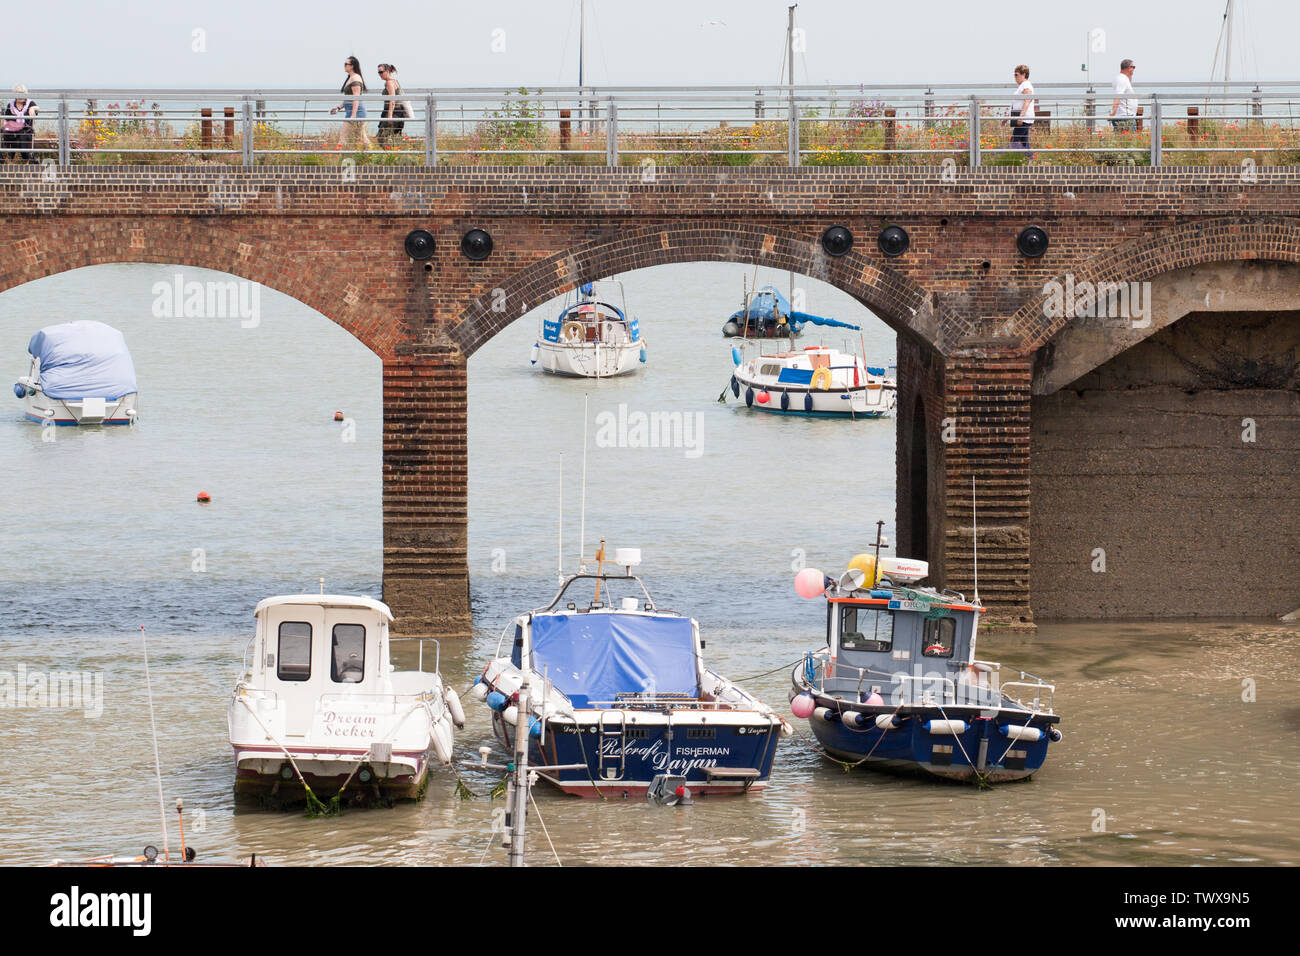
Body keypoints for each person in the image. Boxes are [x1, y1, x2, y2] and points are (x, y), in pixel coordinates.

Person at [330, 56, 372, 149]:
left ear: (352, 66)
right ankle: (372, 155)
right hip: (352, 112)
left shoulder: (355, 78)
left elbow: (356, 97)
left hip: (356, 112)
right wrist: (338, 107)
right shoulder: (350, 77)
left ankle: (340, 156)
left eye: (346, 64)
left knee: (344, 137)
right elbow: (348, 97)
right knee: (362, 138)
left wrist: (353, 115)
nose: (344, 66)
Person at [2, 85, 39, 163]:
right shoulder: (10, 105)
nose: (20, 96)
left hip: (26, 131)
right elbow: (6, 120)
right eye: (18, 94)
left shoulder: (30, 103)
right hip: (13, 131)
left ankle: (28, 161)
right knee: (6, 135)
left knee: (22, 137)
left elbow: (37, 108)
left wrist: (33, 108)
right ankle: (6, 161)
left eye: (22, 93)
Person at [376, 64, 409, 146]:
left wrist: (389, 116)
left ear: (387, 71)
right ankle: (394, 154)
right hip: (398, 113)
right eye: (378, 72)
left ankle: (390, 155)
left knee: (381, 137)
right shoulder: (394, 81)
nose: (379, 74)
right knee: (394, 137)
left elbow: (392, 99)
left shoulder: (389, 83)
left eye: (381, 72)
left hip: (393, 113)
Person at [1010, 64, 1035, 153]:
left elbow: (1027, 100)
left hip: (1023, 119)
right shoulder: (1022, 85)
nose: (1015, 77)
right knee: (1024, 142)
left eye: (1016, 75)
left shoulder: (1026, 85)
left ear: (1023, 74)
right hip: (1023, 118)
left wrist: (1021, 116)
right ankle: (1029, 160)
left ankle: (1015, 162)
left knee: (1015, 141)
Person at [1110, 59, 1137, 131]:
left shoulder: (1122, 78)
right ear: (1129, 68)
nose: (1134, 69)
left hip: (1125, 115)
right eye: (1133, 67)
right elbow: (1118, 95)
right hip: (1125, 117)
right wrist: (1113, 112)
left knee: (1122, 139)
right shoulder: (1122, 79)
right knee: (1129, 140)